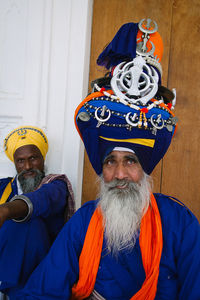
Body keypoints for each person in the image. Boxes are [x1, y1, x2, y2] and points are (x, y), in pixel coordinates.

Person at [20, 19, 200, 299]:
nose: (119, 174)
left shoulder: (178, 222)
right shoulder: (84, 222)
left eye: (130, 162)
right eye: (110, 162)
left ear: (145, 169)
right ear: (101, 170)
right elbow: (42, 291)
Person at [0, 125, 75, 299]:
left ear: (43, 158)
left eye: (33, 158)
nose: (27, 166)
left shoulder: (56, 185)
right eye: (20, 161)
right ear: (15, 163)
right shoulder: (4, 187)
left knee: (29, 223)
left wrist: (6, 210)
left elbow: (42, 200)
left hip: (41, 269)